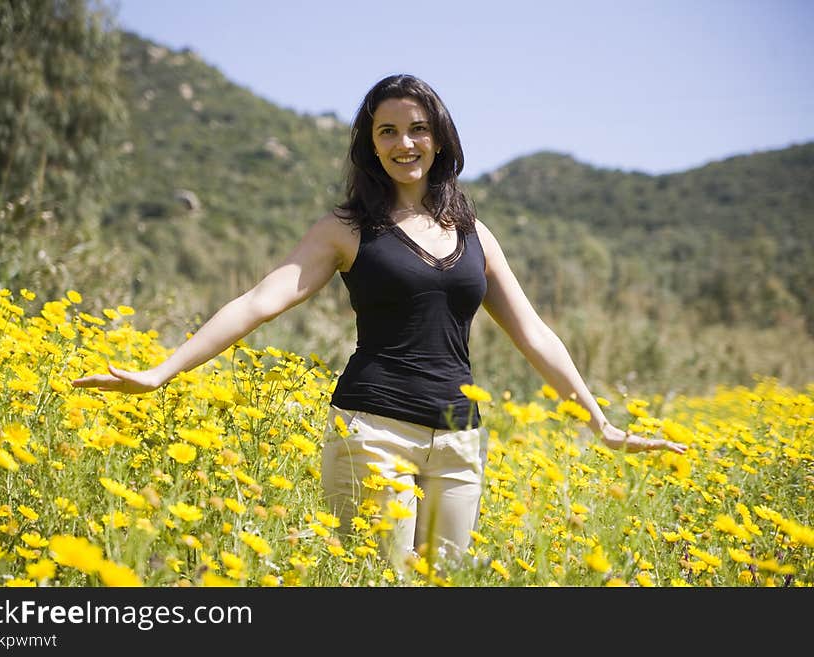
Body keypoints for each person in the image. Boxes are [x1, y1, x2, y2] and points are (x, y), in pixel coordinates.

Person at [72, 73, 687, 572]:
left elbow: (533, 332)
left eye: (418, 130)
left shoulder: (475, 235)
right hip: (374, 432)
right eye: (387, 131)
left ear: (440, 140)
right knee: (379, 589)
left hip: (458, 440)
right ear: (370, 145)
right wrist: (163, 371)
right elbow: (259, 300)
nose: (404, 143)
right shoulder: (345, 230)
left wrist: (600, 423)